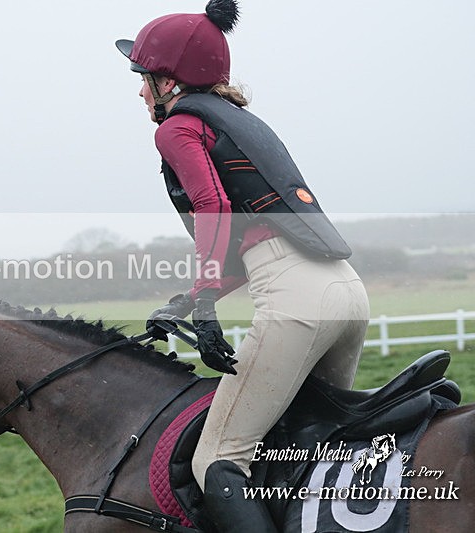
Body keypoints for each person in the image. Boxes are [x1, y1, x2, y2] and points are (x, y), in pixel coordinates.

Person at [116, 1, 370, 531]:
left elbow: (214, 209)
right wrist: (188, 300)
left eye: (144, 78)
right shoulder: (242, 124)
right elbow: (256, 244)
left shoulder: (176, 128)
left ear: (169, 82)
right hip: (347, 294)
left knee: (218, 462)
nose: (140, 91)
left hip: (297, 300)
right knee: (303, 446)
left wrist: (205, 299)